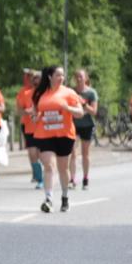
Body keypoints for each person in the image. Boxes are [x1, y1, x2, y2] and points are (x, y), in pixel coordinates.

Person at [31, 65, 84, 213]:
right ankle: (48, 199)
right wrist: (36, 117)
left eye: (62, 75)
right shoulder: (40, 94)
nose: (61, 78)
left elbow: (80, 113)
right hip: (45, 134)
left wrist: (68, 108)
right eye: (58, 75)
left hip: (64, 134)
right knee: (48, 166)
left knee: (63, 168)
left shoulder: (69, 93)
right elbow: (35, 114)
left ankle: (65, 197)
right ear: (50, 77)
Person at [69, 69, 98, 189]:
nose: (79, 79)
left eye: (81, 76)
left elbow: (94, 111)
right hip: (73, 125)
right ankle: (72, 179)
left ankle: (85, 178)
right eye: (77, 77)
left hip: (87, 125)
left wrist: (84, 104)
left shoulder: (91, 93)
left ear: (86, 78)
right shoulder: (71, 91)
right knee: (72, 153)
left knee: (85, 153)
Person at [16, 69, 43, 189]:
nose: (36, 82)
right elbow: (19, 111)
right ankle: (39, 178)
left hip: (43, 128)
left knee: (41, 154)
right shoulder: (26, 94)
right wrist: (26, 112)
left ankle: (44, 177)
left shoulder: (46, 93)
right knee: (32, 154)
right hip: (30, 128)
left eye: (38, 80)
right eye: (34, 80)